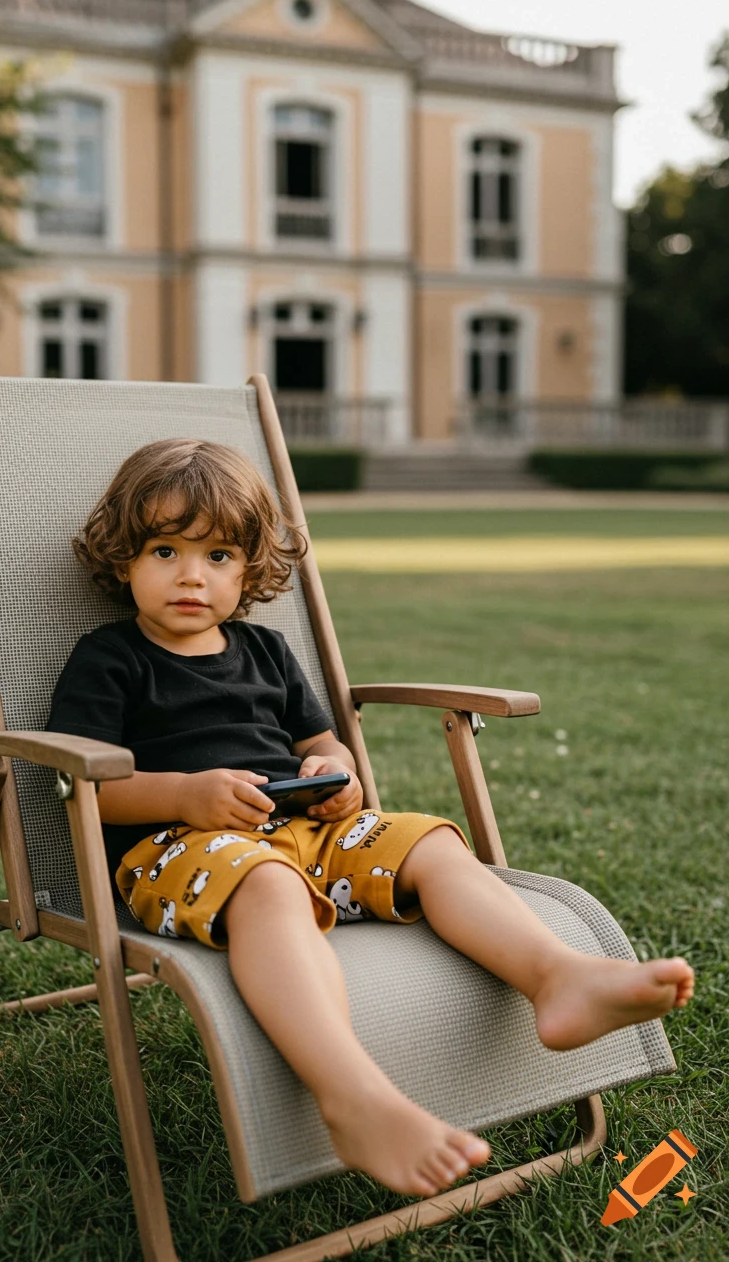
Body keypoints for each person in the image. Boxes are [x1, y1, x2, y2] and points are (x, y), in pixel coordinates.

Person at [47, 437, 695, 1200]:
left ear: (250, 568)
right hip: (182, 848)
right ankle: (353, 1097)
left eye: (219, 555)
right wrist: (187, 796)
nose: (192, 574)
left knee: (433, 845)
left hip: (307, 830)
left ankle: (558, 978)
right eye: (165, 549)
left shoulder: (266, 649)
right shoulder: (110, 658)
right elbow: (88, 786)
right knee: (269, 888)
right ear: (124, 557)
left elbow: (320, 741)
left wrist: (336, 773)